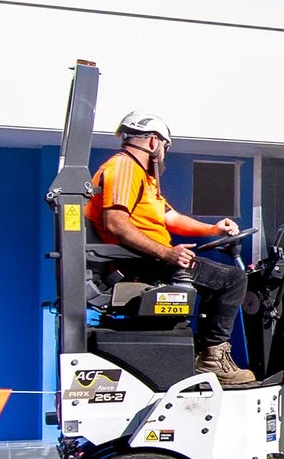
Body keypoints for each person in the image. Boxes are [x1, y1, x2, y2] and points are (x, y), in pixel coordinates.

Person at [87, 112, 254, 385]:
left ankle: (204, 352)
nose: (164, 154)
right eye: (165, 147)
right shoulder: (125, 169)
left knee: (217, 279)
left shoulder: (142, 178)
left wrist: (212, 229)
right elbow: (116, 224)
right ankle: (212, 358)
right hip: (141, 261)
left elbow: (170, 218)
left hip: (149, 257)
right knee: (234, 279)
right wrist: (167, 253)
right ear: (153, 143)